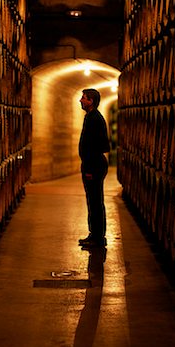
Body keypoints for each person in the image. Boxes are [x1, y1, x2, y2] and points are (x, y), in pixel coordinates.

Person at [78, 88, 110, 248]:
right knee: (93, 201)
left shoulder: (95, 119)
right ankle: (94, 234)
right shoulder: (91, 117)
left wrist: (89, 169)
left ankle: (97, 238)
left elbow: (96, 146)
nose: (80, 100)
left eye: (83, 98)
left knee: (95, 202)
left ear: (91, 101)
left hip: (94, 165)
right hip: (93, 163)